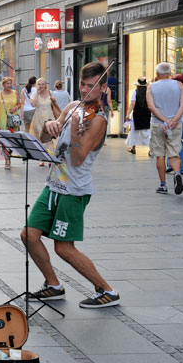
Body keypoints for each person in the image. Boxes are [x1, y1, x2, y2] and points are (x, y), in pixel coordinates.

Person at [22, 62, 120, 309]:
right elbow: (45, 139)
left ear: (102, 87)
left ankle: (107, 290)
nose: (86, 91)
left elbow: (78, 158)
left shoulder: (98, 120)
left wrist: (75, 132)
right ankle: (53, 285)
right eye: (83, 84)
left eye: (92, 86)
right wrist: (49, 126)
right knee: (29, 235)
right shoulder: (72, 106)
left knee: (64, 248)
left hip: (75, 190)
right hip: (54, 184)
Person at [147, 62, 183, 195]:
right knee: (174, 152)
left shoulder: (151, 87)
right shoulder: (179, 85)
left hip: (158, 123)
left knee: (159, 154)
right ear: (170, 73)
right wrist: (173, 120)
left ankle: (163, 185)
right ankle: (176, 173)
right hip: (175, 124)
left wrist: (165, 120)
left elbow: (151, 107)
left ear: (157, 74)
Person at [0, 77, 20, 169]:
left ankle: (9, 156)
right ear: (3, 84)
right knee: (4, 141)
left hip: (13, 121)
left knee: (12, 140)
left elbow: (19, 104)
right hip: (2, 120)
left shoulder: (15, 93)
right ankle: (7, 160)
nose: (9, 85)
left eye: (10, 83)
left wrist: (16, 108)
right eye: (7, 83)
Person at [29, 78, 59, 165]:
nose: (41, 86)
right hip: (39, 119)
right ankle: (42, 159)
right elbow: (33, 105)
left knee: (50, 139)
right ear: (37, 85)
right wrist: (37, 94)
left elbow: (54, 104)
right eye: (39, 84)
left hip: (50, 118)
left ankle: (50, 157)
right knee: (41, 139)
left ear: (46, 85)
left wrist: (54, 100)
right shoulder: (35, 94)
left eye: (43, 84)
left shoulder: (50, 92)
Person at [125, 77, 151, 155]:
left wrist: (128, 114)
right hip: (147, 114)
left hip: (137, 114)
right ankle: (151, 150)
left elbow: (132, 104)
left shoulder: (134, 92)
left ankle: (133, 148)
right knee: (147, 132)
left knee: (134, 131)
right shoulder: (149, 92)